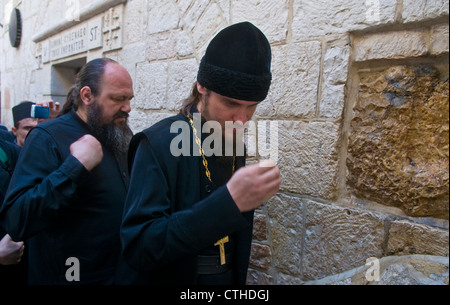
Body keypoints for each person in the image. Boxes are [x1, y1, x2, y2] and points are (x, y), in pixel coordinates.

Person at [121, 22, 281, 285]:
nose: (241, 119)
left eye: (252, 107)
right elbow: (139, 247)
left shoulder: (232, 141)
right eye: (231, 103)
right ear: (201, 87)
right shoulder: (157, 143)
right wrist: (227, 203)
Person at [0, 58, 136, 285]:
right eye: (118, 99)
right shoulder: (47, 137)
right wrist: (74, 167)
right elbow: (17, 219)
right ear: (87, 96)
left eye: (129, 99)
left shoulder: (118, 132)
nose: (127, 107)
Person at [0, 100, 59, 285]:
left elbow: (51, 179)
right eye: (27, 128)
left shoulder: (6, 152)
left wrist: (51, 129)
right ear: (14, 130)